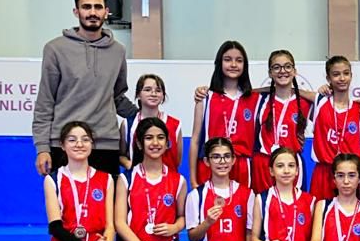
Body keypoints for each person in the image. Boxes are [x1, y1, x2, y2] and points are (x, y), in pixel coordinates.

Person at [33, 0, 136, 241]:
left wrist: (150, 115)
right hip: (64, 146)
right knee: (67, 226)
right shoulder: (55, 49)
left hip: (105, 145)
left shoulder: (118, 51)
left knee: (106, 224)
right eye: (86, 7)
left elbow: (118, 97)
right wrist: (43, 146)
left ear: (107, 12)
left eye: (98, 7)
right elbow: (45, 101)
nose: (93, 12)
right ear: (76, 12)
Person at [189, 41, 259, 189]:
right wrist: (193, 180)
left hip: (241, 166)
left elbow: (278, 89)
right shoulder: (206, 97)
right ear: (219, 63)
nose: (233, 64)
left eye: (239, 60)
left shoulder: (255, 99)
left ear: (245, 65)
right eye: (227, 59)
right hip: (211, 164)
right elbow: (195, 140)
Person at [252, 51, 313, 194]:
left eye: (287, 66)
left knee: (293, 205)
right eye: (276, 67)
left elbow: (329, 103)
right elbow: (241, 92)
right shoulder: (260, 100)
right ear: (270, 73)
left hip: (291, 165)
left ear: (294, 71)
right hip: (264, 163)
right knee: (263, 204)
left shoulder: (305, 102)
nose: (282, 71)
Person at [309, 56, 360, 201]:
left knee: (349, 213)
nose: (342, 78)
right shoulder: (319, 102)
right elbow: (289, 91)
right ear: (328, 78)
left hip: (350, 174)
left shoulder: (359, 108)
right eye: (336, 74)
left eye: (346, 73)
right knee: (319, 213)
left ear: (351, 75)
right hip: (324, 172)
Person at [120, 73, 182, 171]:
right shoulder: (128, 124)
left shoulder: (175, 124)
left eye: (158, 90)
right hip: (136, 178)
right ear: (138, 94)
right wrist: (129, 164)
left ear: (163, 96)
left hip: (168, 179)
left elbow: (177, 160)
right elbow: (121, 155)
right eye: (147, 90)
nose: (153, 94)